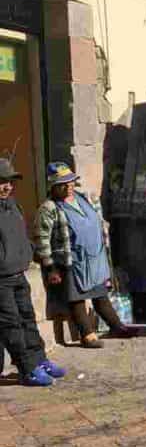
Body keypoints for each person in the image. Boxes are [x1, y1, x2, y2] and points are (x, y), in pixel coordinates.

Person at [34, 162, 135, 349]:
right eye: (63, 184)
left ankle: (117, 327)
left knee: (100, 295)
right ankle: (87, 335)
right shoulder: (48, 208)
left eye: (71, 182)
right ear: (53, 187)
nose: (69, 186)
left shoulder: (82, 198)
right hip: (71, 261)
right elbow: (42, 240)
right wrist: (51, 268)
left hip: (93, 259)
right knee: (77, 299)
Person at [0, 159, 67, 387]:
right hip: (1, 280)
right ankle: (27, 368)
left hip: (19, 274)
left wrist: (28, 252)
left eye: (9, 182)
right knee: (12, 325)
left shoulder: (14, 206)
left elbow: (21, 235)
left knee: (28, 320)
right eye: (1, 182)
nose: (6, 187)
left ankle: (40, 360)